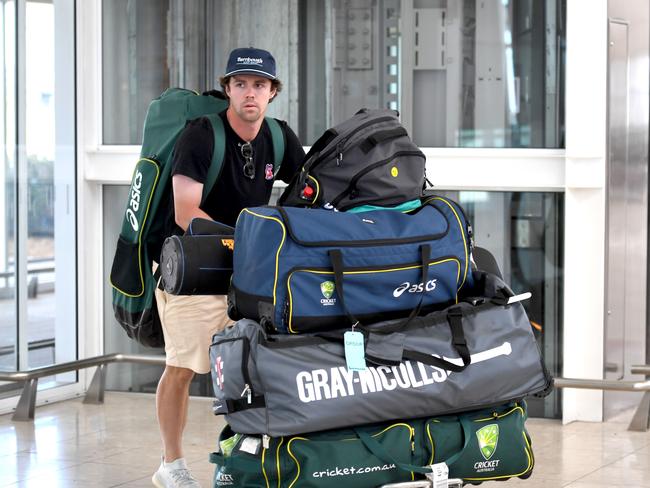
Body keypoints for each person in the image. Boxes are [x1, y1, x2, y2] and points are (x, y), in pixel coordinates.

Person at [152, 47, 305, 488]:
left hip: (249, 271)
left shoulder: (279, 137)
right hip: (193, 271)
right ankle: (172, 465)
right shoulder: (201, 135)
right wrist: (249, 238)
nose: (249, 93)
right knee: (183, 368)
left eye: (259, 85)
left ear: (273, 92)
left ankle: (241, 459)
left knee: (252, 367)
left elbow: (305, 192)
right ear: (228, 90)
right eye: (240, 84)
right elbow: (186, 211)